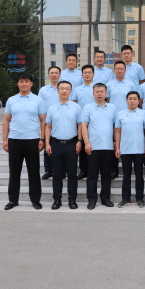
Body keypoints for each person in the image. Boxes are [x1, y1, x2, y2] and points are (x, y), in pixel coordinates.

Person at [2, 72, 46, 210]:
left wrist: (42, 138)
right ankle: (13, 200)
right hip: (14, 139)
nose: (24, 84)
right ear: (18, 83)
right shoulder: (11, 100)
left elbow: (43, 120)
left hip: (32, 139)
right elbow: (6, 120)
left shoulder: (38, 100)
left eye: (27, 81)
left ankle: (35, 200)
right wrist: (4, 139)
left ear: (31, 83)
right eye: (21, 81)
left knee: (33, 172)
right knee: (14, 172)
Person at [44, 80, 83, 210]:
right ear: (57, 91)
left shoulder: (76, 107)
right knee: (57, 174)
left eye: (67, 88)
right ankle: (57, 199)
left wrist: (80, 141)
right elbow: (48, 126)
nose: (64, 91)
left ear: (70, 91)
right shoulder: (51, 108)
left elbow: (80, 125)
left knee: (72, 174)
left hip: (72, 143)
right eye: (62, 88)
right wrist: (47, 143)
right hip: (56, 144)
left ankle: (72, 199)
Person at [81, 83, 118, 209]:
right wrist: (86, 142)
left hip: (108, 146)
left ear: (106, 93)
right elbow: (84, 126)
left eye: (102, 91)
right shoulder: (88, 108)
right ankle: (92, 199)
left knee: (106, 175)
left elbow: (115, 126)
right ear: (93, 93)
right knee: (92, 175)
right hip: (93, 147)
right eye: (97, 91)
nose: (99, 94)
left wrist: (115, 141)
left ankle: (105, 198)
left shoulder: (112, 107)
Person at [106, 60, 138, 179]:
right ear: (114, 70)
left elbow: (134, 100)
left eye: (122, 69)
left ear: (125, 70)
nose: (120, 71)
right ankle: (114, 169)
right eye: (117, 69)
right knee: (115, 143)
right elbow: (107, 100)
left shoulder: (130, 84)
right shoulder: (109, 84)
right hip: (113, 118)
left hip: (128, 117)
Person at [115, 91, 145, 208]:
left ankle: (139, 198)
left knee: (139, 175)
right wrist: (117, 147)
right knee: (126, 175)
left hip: (139, 148)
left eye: (135, 99)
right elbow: (118, 131)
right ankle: (125, 198)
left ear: (138, 101)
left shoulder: (143, 113)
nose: (132, 101)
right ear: (126, 100)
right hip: (125, 148)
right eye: (130, 98)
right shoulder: (121, 113)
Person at [72, 64, 96, 180]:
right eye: (85, 73)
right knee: (82, 144)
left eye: (89, 72)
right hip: (81, 121)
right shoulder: (77, 89)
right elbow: (74, 104)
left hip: (94, 120)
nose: (87, 74)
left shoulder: (97, 88)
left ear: (93, 74)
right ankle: (83, 170)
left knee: (94, 144)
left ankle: (94, 169)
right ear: (82, 75)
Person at [39, 66, 61, 180]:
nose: (54, 75)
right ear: (48, 75)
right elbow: (40, 105)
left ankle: (62, 169)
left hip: (61, 121)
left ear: (60, 75)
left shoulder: (64, 88)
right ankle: (48, 170)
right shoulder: (43, 90)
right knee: (47, 142)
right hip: (47, 121)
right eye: (52, 73)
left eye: (56, 73)